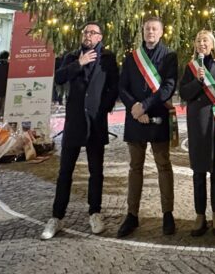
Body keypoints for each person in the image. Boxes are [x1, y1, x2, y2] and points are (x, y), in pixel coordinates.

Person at [41, 23, 121, 240]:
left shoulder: (108, 58)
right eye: (86, 32)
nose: (88, 35)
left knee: (96, 171)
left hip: (96, 123)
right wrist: (79, 63)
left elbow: (114, 86)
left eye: (93, 33)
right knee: (65, 172)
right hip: (74, 123)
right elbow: (58, 77)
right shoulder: (71, 57)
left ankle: (95, 213)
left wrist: (103, 108)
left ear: (100, 37)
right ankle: (57, 216)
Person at [117, 17, 178, 238]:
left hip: (157, 116)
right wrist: (135, 107)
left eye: (154, 29)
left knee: (164, 165)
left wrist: (144, 106)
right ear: (142, 32)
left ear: (161, 32)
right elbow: (122, 86)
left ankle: (168, 213)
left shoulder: (170, 56)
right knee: (135, 167)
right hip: (135, 118)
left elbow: (168, 87)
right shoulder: (131, 58)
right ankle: (132, 215)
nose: (150, 32)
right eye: (147, 29)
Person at [179, 30, 215, 237]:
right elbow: (184, 93)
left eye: (205, 40)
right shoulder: (190, 68)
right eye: (198, 41)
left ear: (212, 45)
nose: (201, 43)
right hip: (197, 123)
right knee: (198, 170)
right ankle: (199, 215)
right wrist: (197, 81)